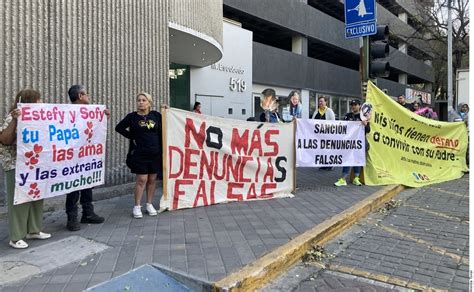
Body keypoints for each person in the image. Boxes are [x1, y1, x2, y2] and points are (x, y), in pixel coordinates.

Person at [0, 89, 51, 248]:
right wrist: (15, 120)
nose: (41, 102)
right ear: (30, 101)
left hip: (33, 164)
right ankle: (16, 237)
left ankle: (33, 230)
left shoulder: (37, 119)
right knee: (19, 200)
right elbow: (4, 140)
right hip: (16, 164)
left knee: (36, 196)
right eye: (38, 99)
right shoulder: (12, 117)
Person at [116, 92, 163, 219]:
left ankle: (149, 204)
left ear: (149, 102)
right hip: (139, 153)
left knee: (152, 180)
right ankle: (137, 206)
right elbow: (119, 128)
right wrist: (132, 137)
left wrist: (167, 110)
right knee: (142, 179)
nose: (141, 102)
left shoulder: (156, 116)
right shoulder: (132, 117)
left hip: (155, 153)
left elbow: (166, 127)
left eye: (143, 100)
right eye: (139, 100)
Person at [65, 85, 106, 231]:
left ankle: (88, 213)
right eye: (86, 94)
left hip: (86, 156)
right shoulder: (66, 113)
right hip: (72, 156)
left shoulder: (90, 112)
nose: (88, 96)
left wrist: (102, 116)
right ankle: (72, 217)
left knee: (87, 183)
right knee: (73, 187)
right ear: (80, 95)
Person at [334, 99, 370, 187]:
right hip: (349, 142)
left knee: (357, 159)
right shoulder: (348, 115)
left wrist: (365, 124)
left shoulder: (363, 116)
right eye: (352, 105)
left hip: (359, 142)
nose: (353, 106)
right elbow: (342, 127)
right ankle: (343, 179)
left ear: (359, 106)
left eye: (355, 105)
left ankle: (356, 179)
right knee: (347, 159)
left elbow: (368, 130)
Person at [312, 96, 335, 170]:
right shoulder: (316, 111)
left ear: (325, 102)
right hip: (319, 135)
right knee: (322, 150)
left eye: (322, 101)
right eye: (319, 101)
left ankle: (330, 164)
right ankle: (323, 164)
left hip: (328, 134)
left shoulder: (329, 111)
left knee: (328, 149)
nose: (320, 103)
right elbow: (312, 121)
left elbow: (333, 122)